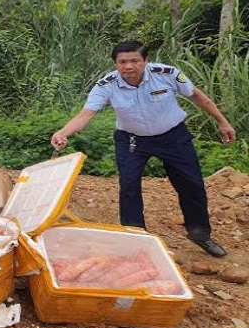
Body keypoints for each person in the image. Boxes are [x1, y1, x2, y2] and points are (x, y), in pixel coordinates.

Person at [51, 40, 236, 257]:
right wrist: (63, 132)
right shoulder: (106, 85)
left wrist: (222, 121)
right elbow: (86, 115)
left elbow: (196, 96)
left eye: (134, 61)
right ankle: (134, 237)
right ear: (115, 63)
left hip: (173, 136)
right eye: (122, 62)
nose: (128, 66)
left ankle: (199, 233)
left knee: (191, 184)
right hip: (132, 140)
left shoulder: (167, 74)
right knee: (129, 186)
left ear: (145, 61)